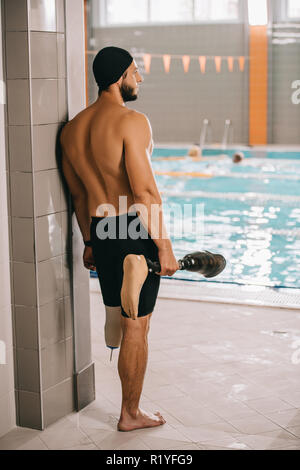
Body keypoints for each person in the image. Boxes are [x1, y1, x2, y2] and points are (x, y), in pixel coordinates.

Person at [60, 46, 178, 432]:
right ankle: (130, 413)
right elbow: (143, 193)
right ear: (120, 76)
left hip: (101, 227)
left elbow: (78, 195)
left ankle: (126, 277)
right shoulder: (132, 121)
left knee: (119, 318)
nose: (139, 78)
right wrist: (164, 246)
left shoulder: (72, 130)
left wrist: (90, 243)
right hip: (131, 226)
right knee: (136, 327)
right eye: (135, 71)